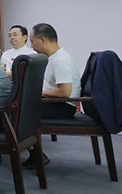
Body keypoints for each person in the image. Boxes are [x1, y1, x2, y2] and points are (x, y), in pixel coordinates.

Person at [24, 23, 81, 168]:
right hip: (56, 103)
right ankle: (36, 154)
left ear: (43, 40)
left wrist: (39, 92)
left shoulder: (60, 60)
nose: (31, 45)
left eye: (32, 41)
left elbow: (65, 92)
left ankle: (36, 155)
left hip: (63, 107)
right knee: (20, 109)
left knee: (19, 114)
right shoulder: (54, 57)